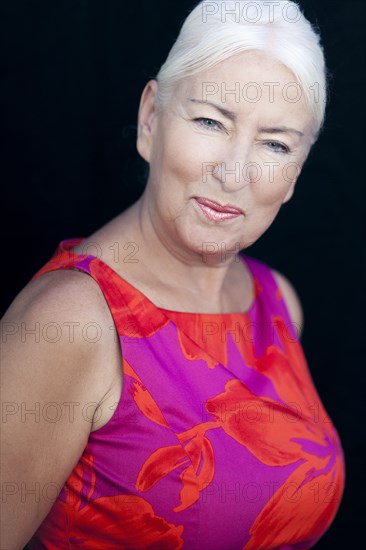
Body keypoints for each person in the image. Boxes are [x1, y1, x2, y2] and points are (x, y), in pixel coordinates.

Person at [1, 1, 345, 548]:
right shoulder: (71, 323)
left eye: (275, 143)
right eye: (211, 121)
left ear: (297, 172)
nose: (234, 172)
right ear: (151, 118)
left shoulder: (277, 301)